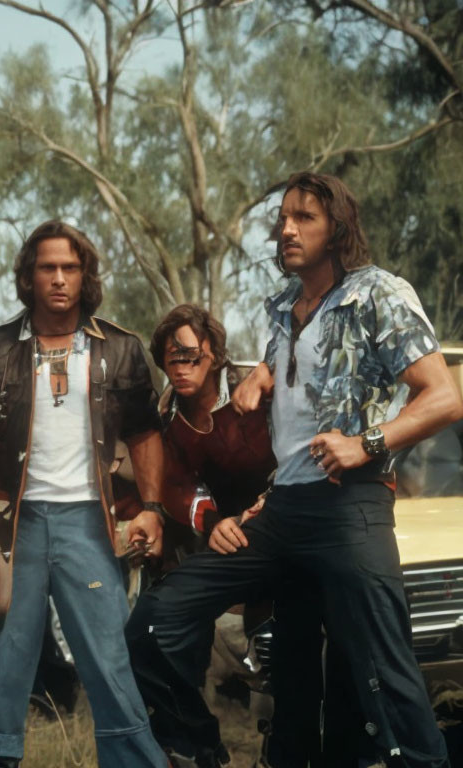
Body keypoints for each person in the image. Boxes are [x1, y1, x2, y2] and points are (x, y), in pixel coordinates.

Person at [127, 172, 463, 768]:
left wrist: (368, 442)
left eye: (304, 217)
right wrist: (260, 382)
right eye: (282, 218)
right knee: (159, 619)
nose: (286, 228)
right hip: (285, 511)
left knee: (383, 678)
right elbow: (295, 396)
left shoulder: (378, 293)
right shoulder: (284, 308)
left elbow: (443, 398)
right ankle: (200, 748)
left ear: (337, 227)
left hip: (351, 507)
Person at [0, 220, 169, 768]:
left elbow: (146, 436)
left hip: (88, 524)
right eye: (46, 267)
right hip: (14, 524)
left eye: (69, 267)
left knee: (110, 661)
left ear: (85, 275)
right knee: (4, 661)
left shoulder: (119, 348)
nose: (58, 279)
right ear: (29, 275)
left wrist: (153, 509)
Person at [128, 304, 325, 768]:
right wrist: (214, 521)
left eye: (190, 356)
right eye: (170, 358)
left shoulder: (254, 385)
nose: (180, 366)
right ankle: (197, 744)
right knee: (147, 629)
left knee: (306, 654)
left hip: (298, 522)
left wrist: (268, 369)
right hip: (234, 541)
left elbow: (309, 420)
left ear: (214, 354)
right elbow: (176, 482)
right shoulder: (167, 417)